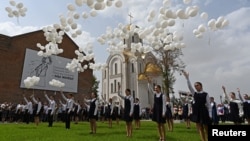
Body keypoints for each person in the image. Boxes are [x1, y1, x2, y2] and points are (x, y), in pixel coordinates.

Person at [182, 70, 211, 141]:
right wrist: (187, 78)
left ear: (201, 86)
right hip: (197, 112)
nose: (195, 87)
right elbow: (189, 87)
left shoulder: (205, 94)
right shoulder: (195, 94)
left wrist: (210, 115)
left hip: (204, 111)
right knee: (200, 127)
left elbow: (209, 105)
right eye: (195, 86)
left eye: (197, 85)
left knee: (206, 127)